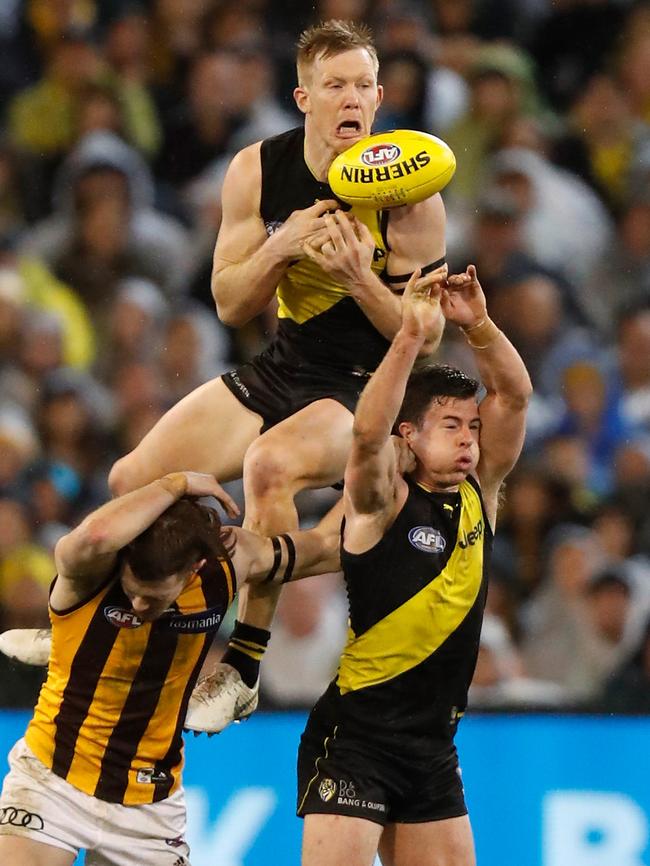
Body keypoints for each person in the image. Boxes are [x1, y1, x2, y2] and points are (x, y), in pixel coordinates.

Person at [104, 18, 448, 728]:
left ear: (380, 97)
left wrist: (359, 277)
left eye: (362, 85)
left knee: (268, 467)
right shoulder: (256, 169)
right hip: (282, 367)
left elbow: (426, 339)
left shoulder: (413, 189)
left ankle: (243, 666)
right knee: (128, 482)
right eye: (335, 85)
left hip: (364, 387)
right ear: (304, 97)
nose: (351, 98)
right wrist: (282, 246)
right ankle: (100, 632)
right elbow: (231, 303)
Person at [296, 264, 532, 866]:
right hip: (357, 741)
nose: (468, 440)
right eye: (450, 426)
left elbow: (514, 395)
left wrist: (477, 323)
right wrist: (408, 336)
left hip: (433, 752)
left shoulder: (483, 493)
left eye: (472, 428)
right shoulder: (381, 503)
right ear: (411, 433)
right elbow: (368, 436)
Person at [0, 470, 341, 866]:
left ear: (193, 570)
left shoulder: (227, 569)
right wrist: (173, 484)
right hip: (52, 782)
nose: (140, 606)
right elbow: (95, 534)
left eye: (154, 596)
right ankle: (57, 640)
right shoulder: (90, 571)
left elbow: (325, 547)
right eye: (134, 592)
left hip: (150, 806)